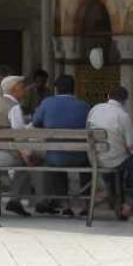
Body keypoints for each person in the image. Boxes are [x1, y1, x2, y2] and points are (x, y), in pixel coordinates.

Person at [31, 73, 90, 214]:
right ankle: (87, 203)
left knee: (53, 162)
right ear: (74, 89)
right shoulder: (84, 106)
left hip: (56, 156)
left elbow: (35, 122)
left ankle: (64, 204)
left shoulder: (47, 103)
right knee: (88, 164)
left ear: (56, 89)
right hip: (80, 156)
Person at [0, 75, 36, 217]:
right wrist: (27, 156)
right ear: (14, 89)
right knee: (26, 164)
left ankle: (14, 197)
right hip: (4, 155)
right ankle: (15, 200)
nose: (25, 91)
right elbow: (19, 136)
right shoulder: (14, 107)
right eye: (22, 87)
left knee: (19, 164)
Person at [87, 85, 133, 220]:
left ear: (108, 97)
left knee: (119, 164)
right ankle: (130, 204)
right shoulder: (123, 116)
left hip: (95, 158)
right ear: (125, 101)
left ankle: (112, 196)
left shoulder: (95, 110)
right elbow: (131, 146)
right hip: (116, 160)